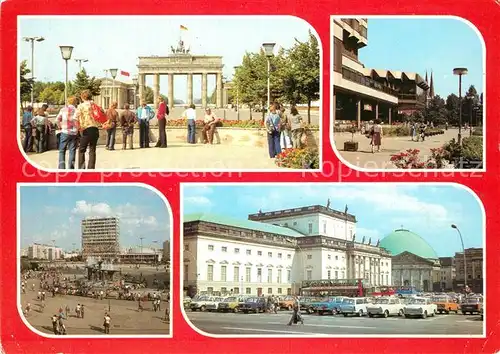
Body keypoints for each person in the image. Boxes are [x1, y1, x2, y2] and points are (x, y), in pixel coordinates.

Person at [75, 90, 100, 169]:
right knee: (92, 150)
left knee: (82, 150)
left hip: (86, 129)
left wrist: (78, 128)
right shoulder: (95, 105)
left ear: (82, 97)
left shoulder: (81, 106)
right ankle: (91, 168)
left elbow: (75, 118)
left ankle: (82, 168)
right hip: (95, 129)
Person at [56, 96, 79, 169]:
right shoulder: (77, 110)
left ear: (68, 102)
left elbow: (57, 120)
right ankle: (71, 168)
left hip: (65, 132)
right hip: (74, 133)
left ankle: (61, 168)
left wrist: (60, 126)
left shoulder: (63, 109)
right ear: (75, 102)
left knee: (62, 150)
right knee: (72, 151)